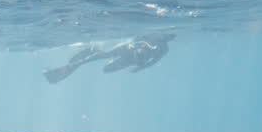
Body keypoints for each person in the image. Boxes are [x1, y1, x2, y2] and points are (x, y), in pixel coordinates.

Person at [44, 32, 175, 84]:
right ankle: (86, 56)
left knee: (107, 69)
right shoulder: (153, 36)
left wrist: (140, 68)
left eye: (169, 37)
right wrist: (146, 46)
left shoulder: (164, 49)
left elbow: (153, 62)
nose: (166, 38)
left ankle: (93, 53)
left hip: (131, 59)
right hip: (125, 49)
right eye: (167, 36)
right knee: (101, 56)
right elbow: (138, 40)